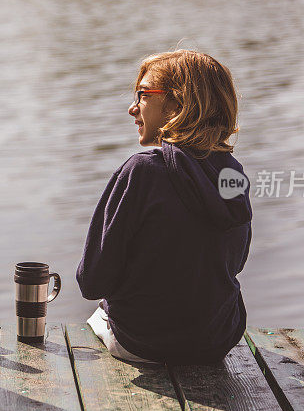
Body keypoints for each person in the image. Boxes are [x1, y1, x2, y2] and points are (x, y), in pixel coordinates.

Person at [77, 49, 252, 365]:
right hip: (217, 341)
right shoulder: (233, 173)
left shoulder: (140, 171)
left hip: (143, 344)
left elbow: (92, 281)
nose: (132, 108)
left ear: (177, 104)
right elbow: (234, 264)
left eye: (142, 95)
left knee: (97, 315)